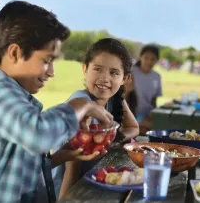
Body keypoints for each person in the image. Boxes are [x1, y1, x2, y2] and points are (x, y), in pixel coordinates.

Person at [0, 1, 113, 203]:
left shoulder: (18, 98)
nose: (51, 72)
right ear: (15, 53)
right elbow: (37, 134)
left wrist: (60, 156)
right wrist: (82, 105)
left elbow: (17, 167)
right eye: (47, 60)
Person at [55, 38, 139, 199]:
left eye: (114, 73)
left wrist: (112, 139)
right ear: (85, 69)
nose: (105, 78)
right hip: (68, 190)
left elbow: (134, 128)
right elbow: (72, 168)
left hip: (92, 181)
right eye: (98, 69)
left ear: (125, 79)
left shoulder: (114, 98)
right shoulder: (81, 106)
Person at [126, 44, 162, 135]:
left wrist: (153, 115)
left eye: (152, 59)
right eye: (146, 58)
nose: (149, 62)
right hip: (132, 115)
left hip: (148, 115)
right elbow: (122, 97)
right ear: (140, 57)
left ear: (156, 61)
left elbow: (154, 100)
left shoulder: (156, 77)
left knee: (163, 123)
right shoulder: (131, 73)